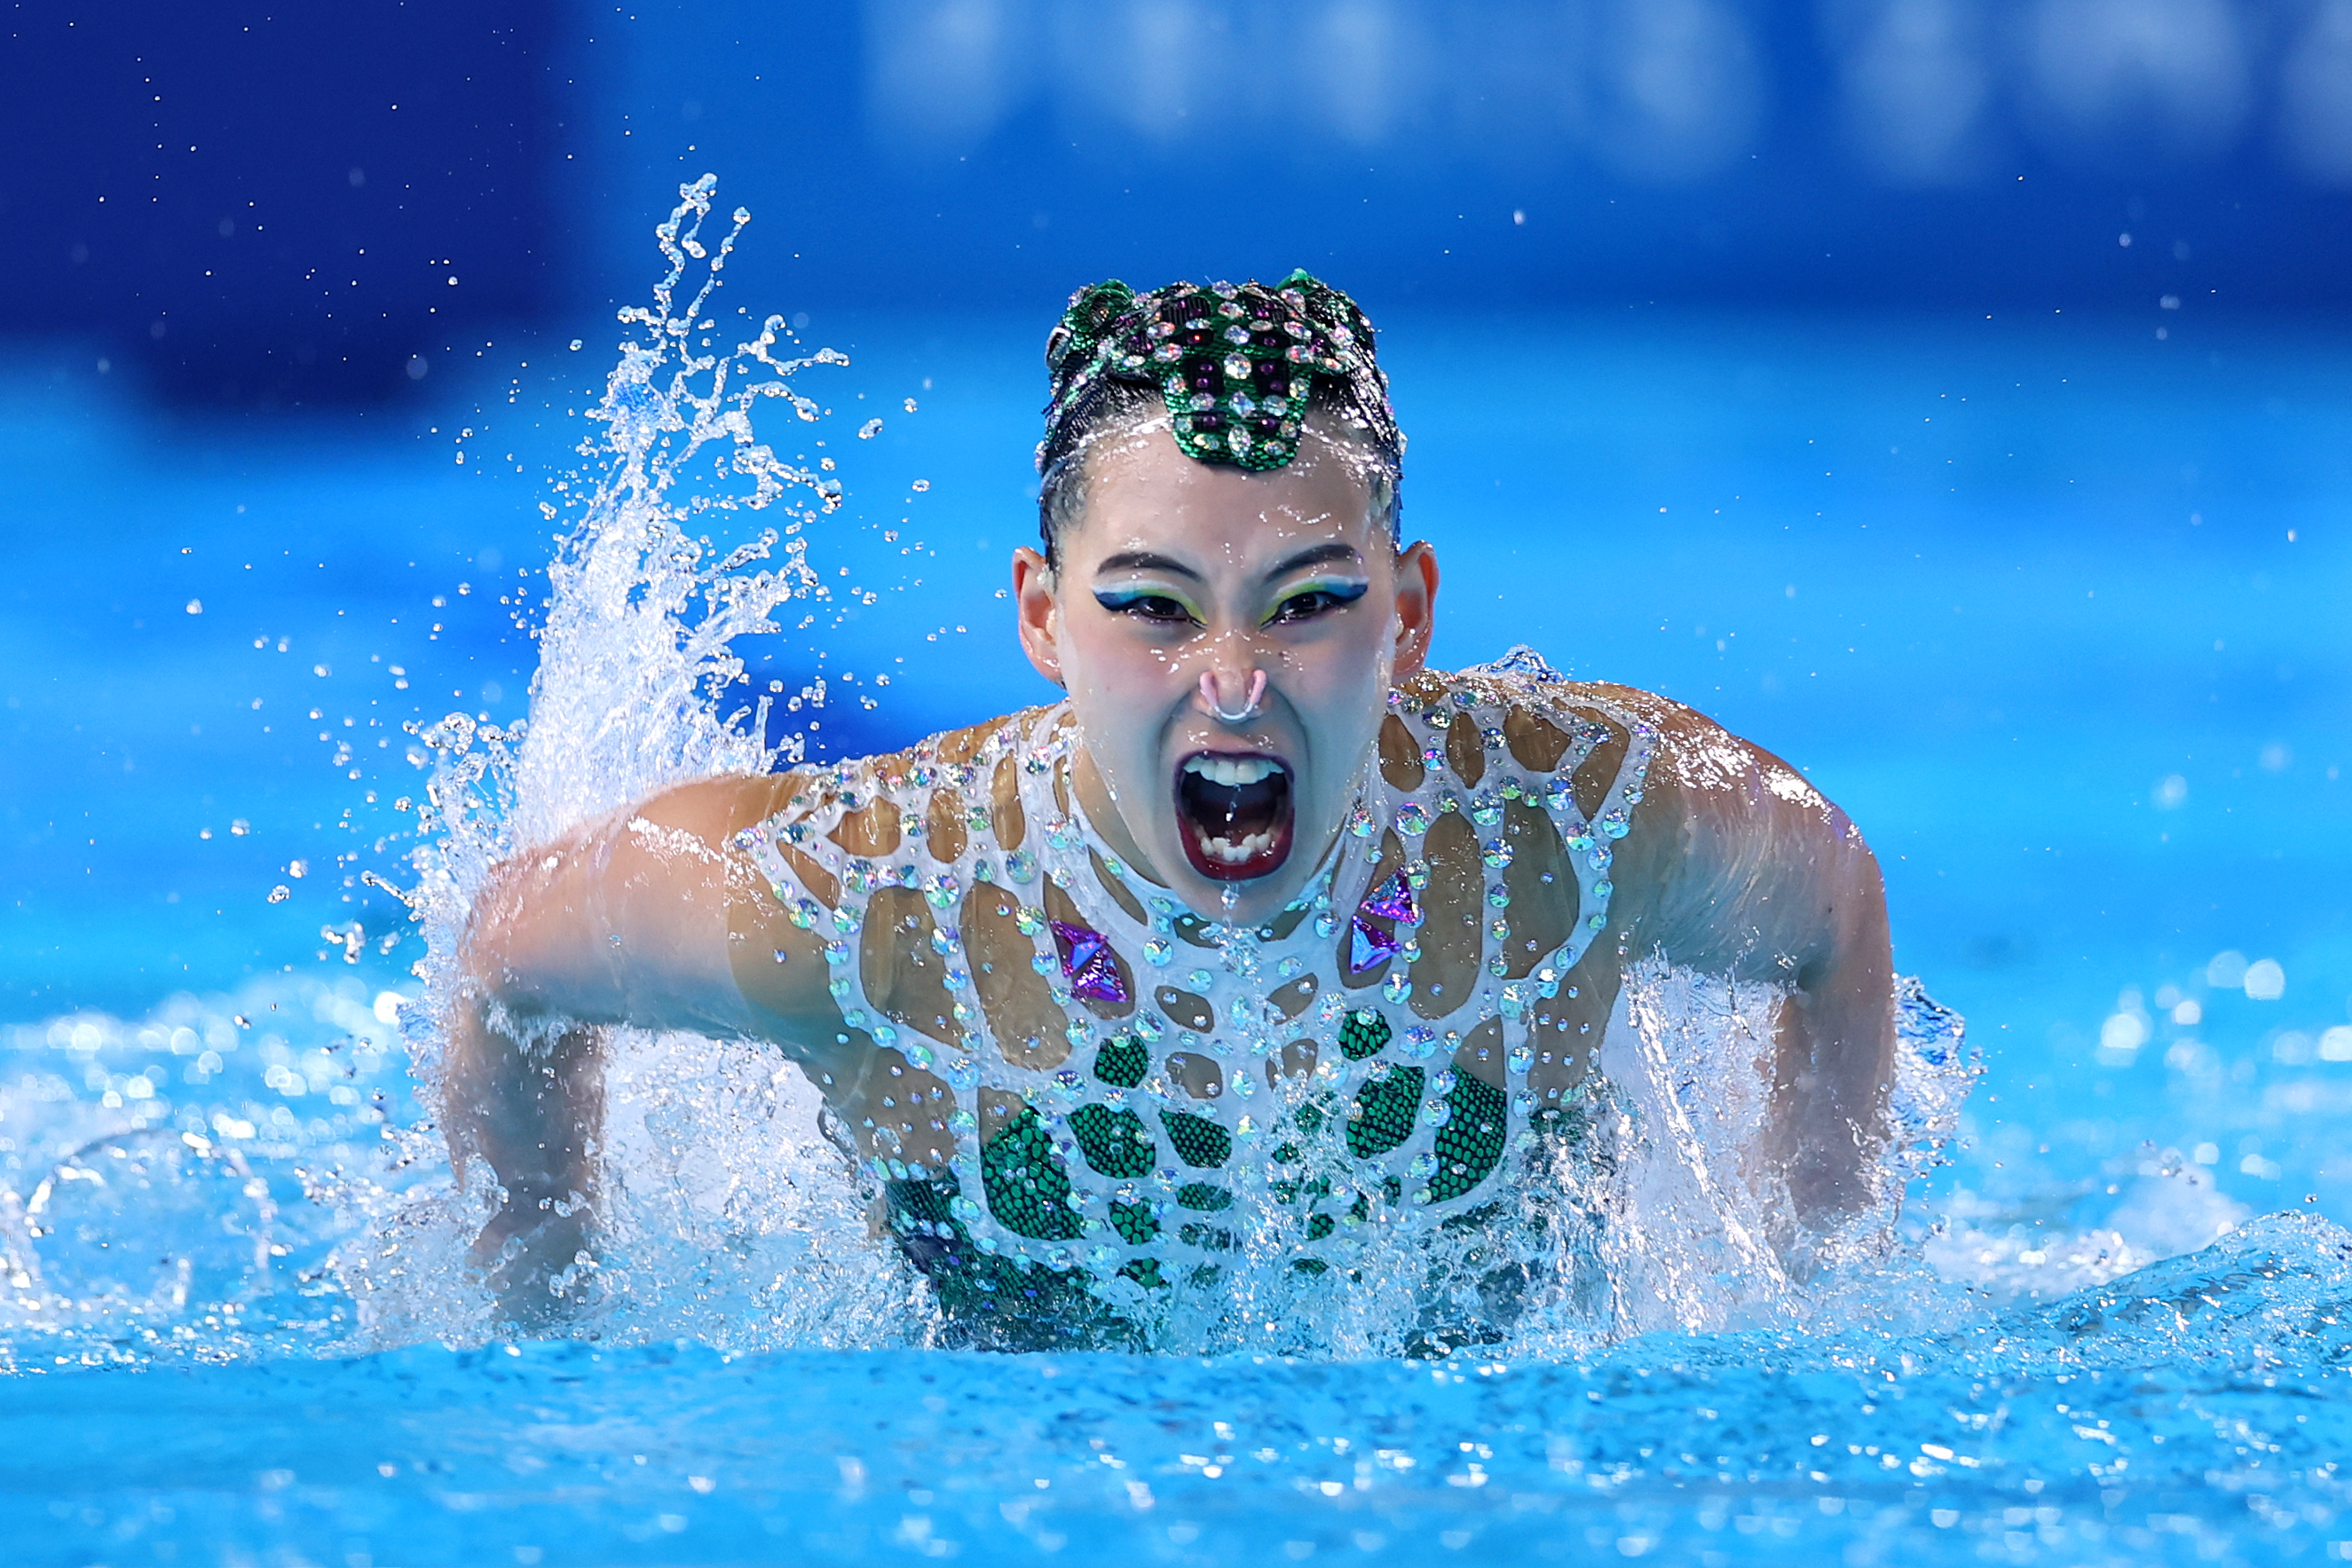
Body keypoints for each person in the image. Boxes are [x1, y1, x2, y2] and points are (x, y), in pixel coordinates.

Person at [446, 273, 1901, 1349]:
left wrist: (1803, 1305)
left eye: (1309, 605)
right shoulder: (877, 908)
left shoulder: (1559, 831)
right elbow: (514, 948)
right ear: (1040, 615)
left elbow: (1833, 909)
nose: (1229, 684)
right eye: (1151, 607)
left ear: (1408, 616)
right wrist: (546, 1343)